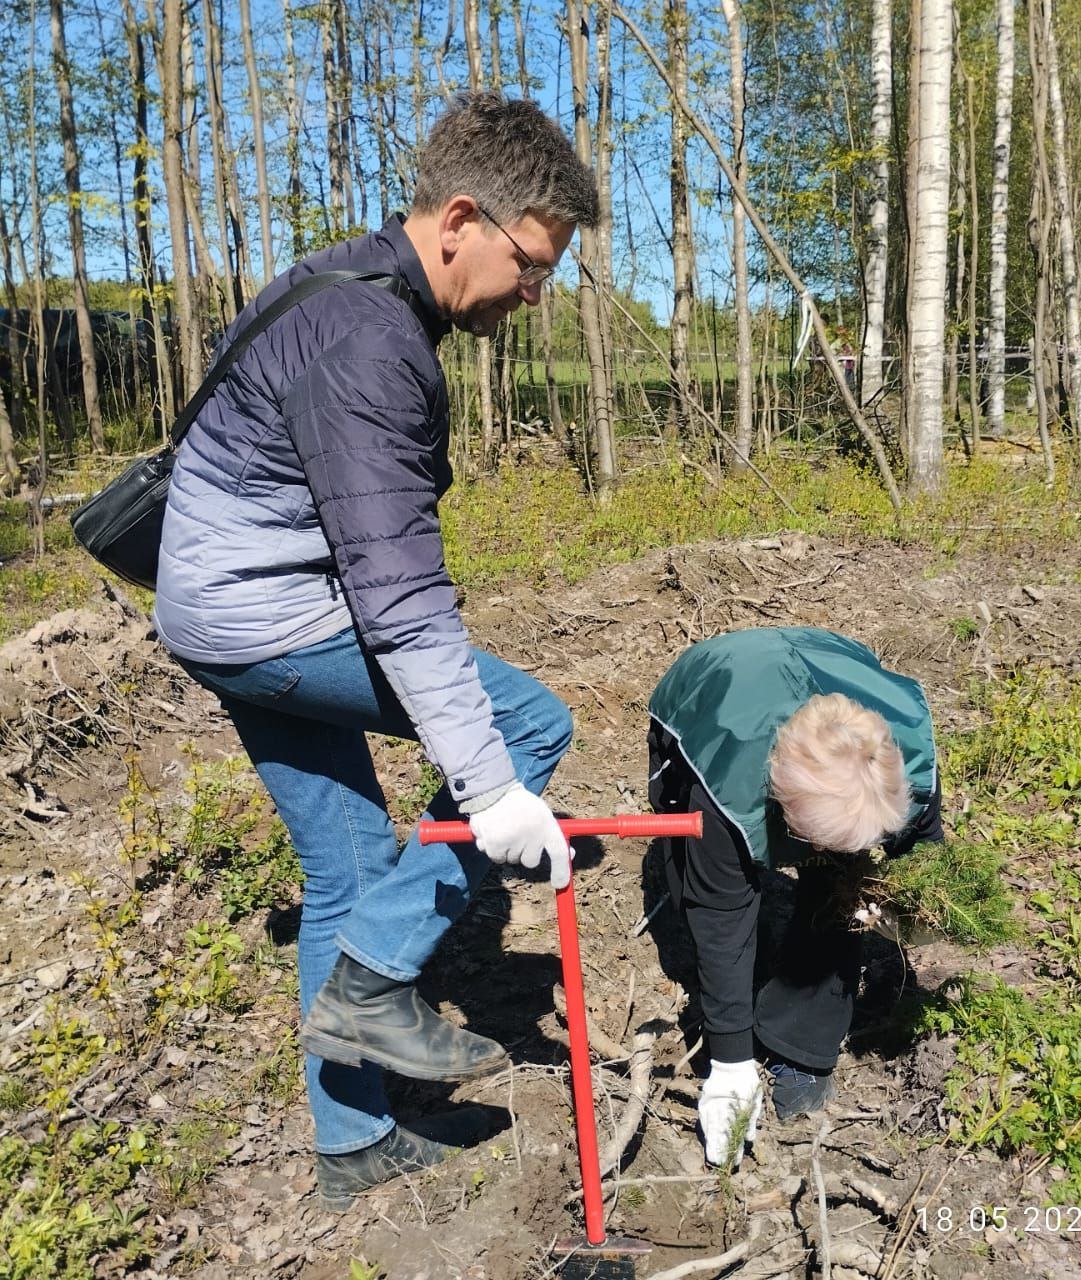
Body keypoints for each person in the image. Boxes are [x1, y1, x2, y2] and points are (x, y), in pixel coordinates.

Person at [152, 92, 598, 1211]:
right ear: (461, 219)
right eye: (532, 264)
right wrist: (490, 789)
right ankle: (370, 979)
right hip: (265, 618)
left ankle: (351, 1144)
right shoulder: (371, 344)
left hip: (217, 606)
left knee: (344, 869)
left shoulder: (340, 280)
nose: (534, 294)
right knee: (532, 721)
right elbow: (397, 599)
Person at [646, 627, 943, 1167]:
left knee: (839, 882)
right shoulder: (726, 789)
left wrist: (905, 910)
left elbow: (924, 861)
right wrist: (730, 1061)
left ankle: (797, 1039)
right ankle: (738, 1018)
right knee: (702, 886)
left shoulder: (909, 761)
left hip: (828, 659)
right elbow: (722, 921)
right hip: (710, 695)